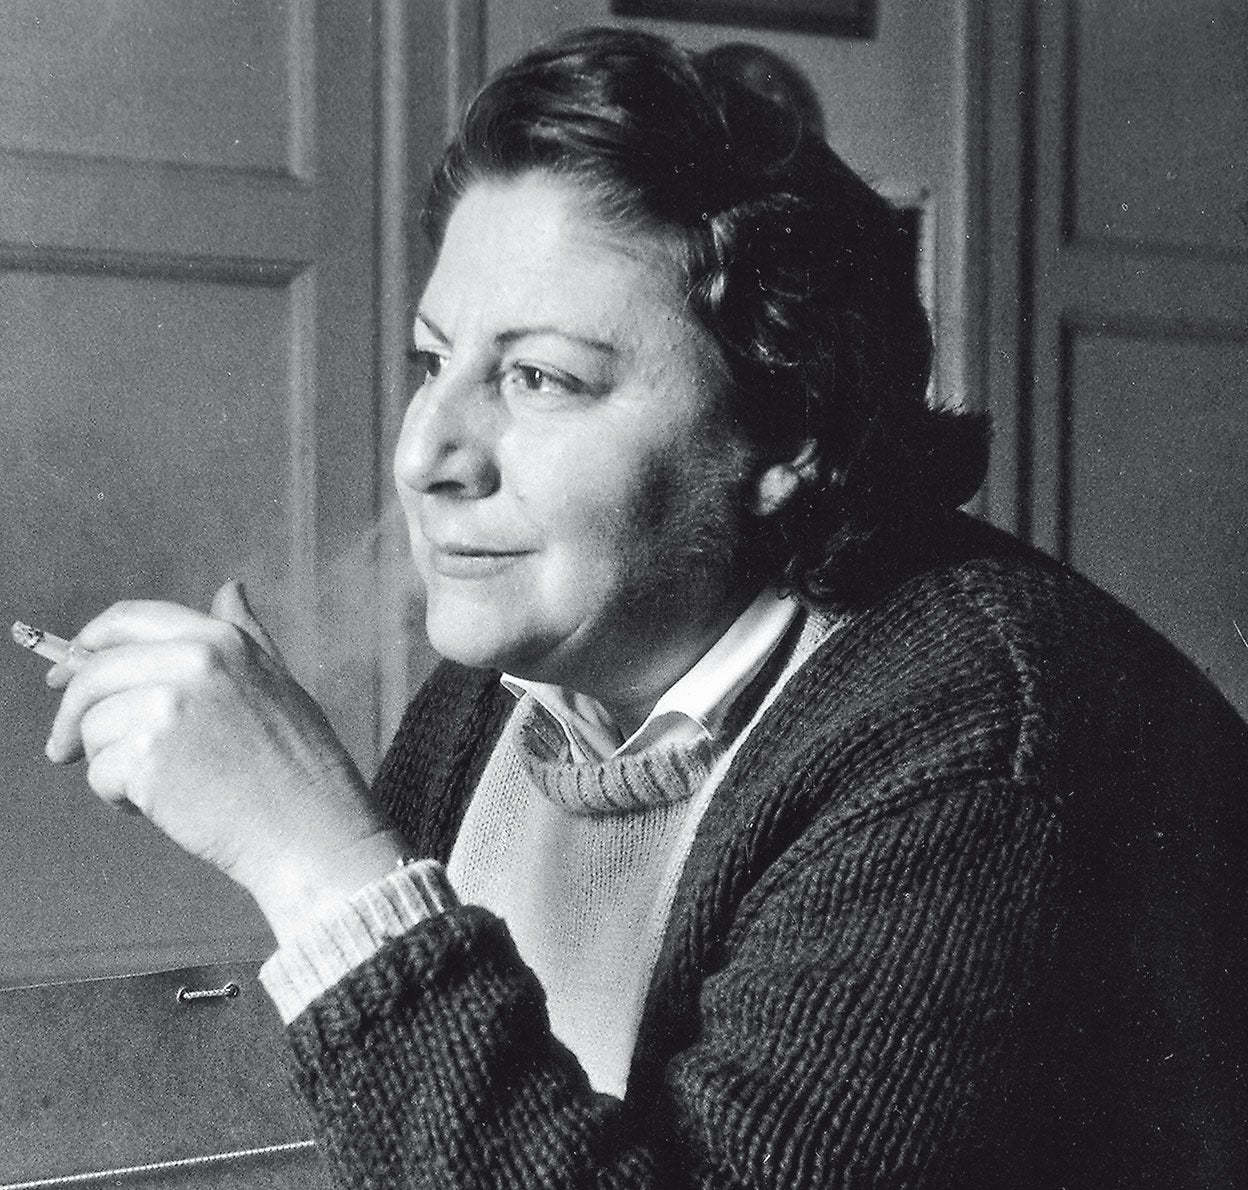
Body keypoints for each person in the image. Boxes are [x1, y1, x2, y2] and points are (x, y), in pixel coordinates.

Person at [40, 26, 1248, 1190]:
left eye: (540, 377)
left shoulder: (978, 753)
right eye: (435, 360)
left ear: (787, 430)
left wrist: (319, 861)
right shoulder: (518, 675)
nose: (425, 454)